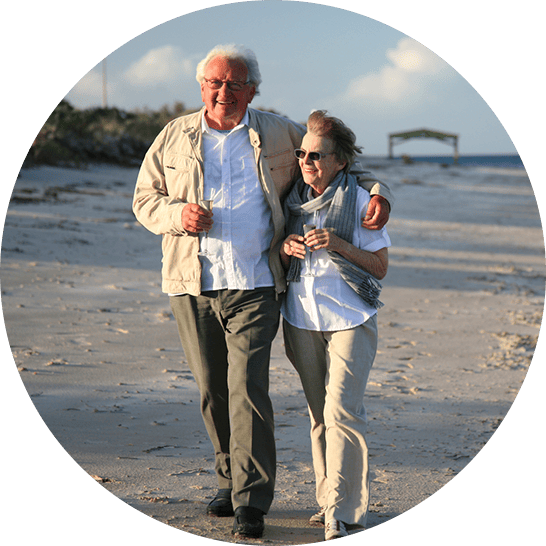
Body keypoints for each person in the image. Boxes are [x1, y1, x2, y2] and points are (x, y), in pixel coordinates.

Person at [133, 44, 393, 539]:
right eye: (214, 82)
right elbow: (144, 200)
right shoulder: (173, 136)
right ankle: (229, 482)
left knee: (247, 387)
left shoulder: (278, 132)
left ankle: (252, 501)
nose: (222, 91)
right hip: (193, 283)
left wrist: (380, 192)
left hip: (256, 282)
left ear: (252, 88)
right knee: (212, 389)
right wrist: (177, 216)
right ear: (201, 86)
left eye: (233, 83)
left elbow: (336, 163)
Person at [280, 110, 390, 541]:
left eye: (318, 155)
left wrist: (340, 245)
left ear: (341, 162)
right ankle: (327, 498)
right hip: (301, 318)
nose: (308, 161)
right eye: (303, 153)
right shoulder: (291, 199)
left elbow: (379, 267)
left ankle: (341, 514)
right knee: (319, 416)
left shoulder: (363, 201)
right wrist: (287, 245)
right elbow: (275, 246)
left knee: (341, 411)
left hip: (351, 318)